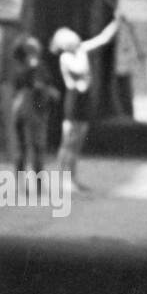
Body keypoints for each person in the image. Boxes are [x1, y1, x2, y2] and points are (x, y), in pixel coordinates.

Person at [50, 15, 121, 190]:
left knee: (78, 142)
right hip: (73, 100)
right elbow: (79, 70)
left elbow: (103, 39)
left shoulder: (81, 50)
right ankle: (62, 178)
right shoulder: (66, 57)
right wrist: (84, 56)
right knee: (68, 142)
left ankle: (72, 178)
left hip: (84, 100)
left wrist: (116, 22)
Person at [10, 35, 60, 174]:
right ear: (29, 49)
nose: (38, 43)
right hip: (32, 105)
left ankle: (19, 184)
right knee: (37, 145)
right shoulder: (36, 64)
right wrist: (51, 91)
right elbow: (38, 85)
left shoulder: (18, 65)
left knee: (21, 147)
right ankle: (38, 185)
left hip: (18, 104)